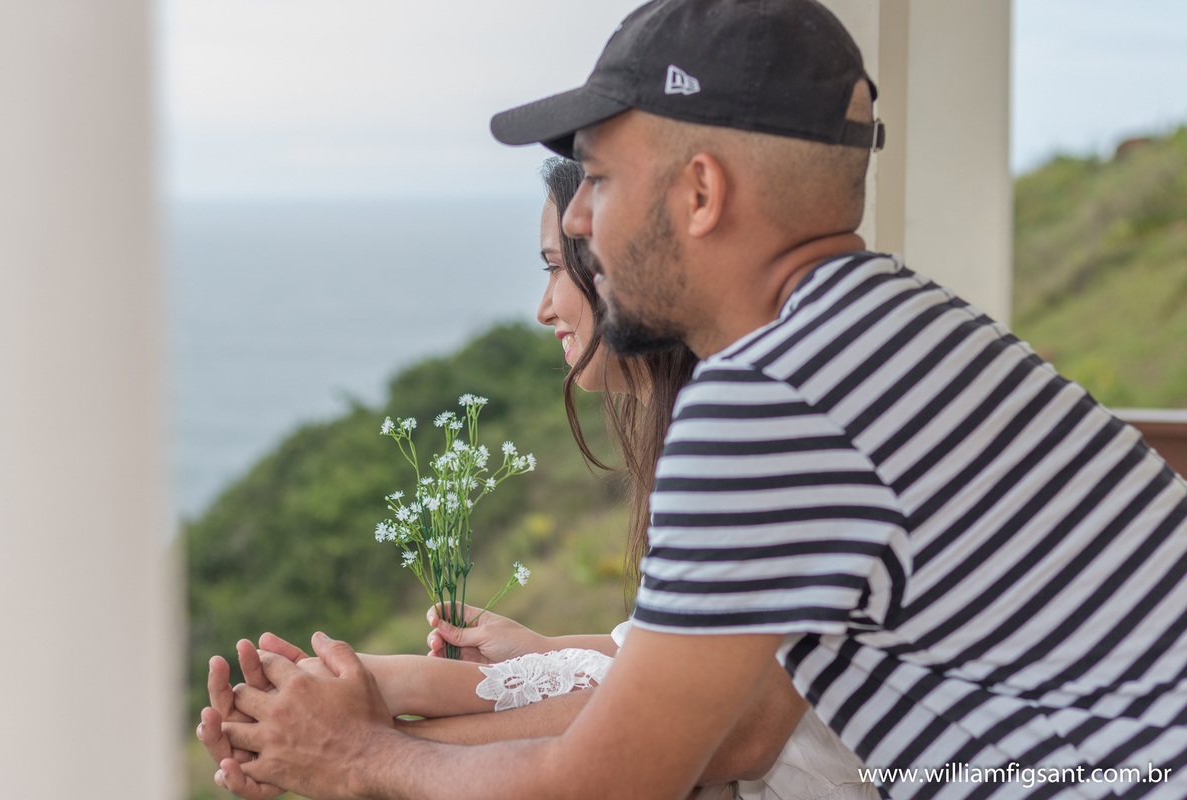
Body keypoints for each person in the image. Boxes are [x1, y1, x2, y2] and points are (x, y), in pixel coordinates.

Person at [197, 1, 1187, 798]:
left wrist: (357, 759)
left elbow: (610, 782)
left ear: (700, 193)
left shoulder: (769, 397)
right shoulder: (903, 325)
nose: (581, 218)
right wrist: (363, 711)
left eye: (598, 179)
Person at [197, 156, 817, 799]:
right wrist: (374, 688)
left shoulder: (749, 432)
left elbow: (727, 727)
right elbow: (678, 669)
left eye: (556, 266)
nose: (544, 307)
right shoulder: (729, 416)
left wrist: (360, 747)